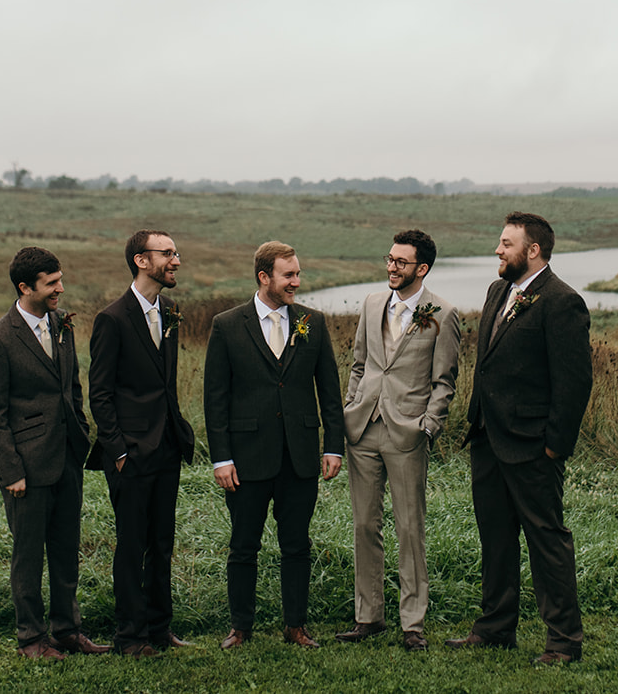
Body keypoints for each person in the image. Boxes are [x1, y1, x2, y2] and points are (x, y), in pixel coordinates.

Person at [447, 212, 592, 666]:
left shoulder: (561, 301)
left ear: (533, 250)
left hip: (533, 444)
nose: (497, 249)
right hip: (489, 437)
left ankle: (563, 642)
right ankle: (494, 629)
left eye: (506, 243)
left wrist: (555, 445)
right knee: (495, 538)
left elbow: (574, 382)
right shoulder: (497, 291)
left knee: (547, 540)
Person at [203, 241, 343, 649]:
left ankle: (295, 626)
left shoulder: (312, 323)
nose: (296, 282)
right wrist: (221, 458)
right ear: (264, 277)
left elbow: (330, 392)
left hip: (299, 457)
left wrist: (333, 447)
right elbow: (216, 398)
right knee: (243, 545)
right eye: (289, 275)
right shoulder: (227, 325)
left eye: (298, 274)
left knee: (297, 544)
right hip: (245, 459)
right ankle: (240, 627)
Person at [0, 246, 110, 660]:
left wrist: (80, 435)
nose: (60, 290)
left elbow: (71, 388)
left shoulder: (62, 326)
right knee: (29, 556)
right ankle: (31, 639)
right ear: (24, 287)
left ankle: (68, 631)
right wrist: (11, 470)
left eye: (60, 280)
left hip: (67, 459)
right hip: (26, 471)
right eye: (51, 284)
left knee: (67, 550)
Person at [336, 229, 460, 651]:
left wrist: (428, 425)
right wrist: (350, 405)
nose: (391, 267)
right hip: (363, 428)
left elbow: (444, 381)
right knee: (364, 524)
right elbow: (359, 363)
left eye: (400, 262)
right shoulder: (371, 305)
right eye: (389, 259)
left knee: (410, 528)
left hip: (407, 431)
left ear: (421, 268)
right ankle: (368, 616)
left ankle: (413, 624)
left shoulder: (442, 312)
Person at [87, 230, 198, 657]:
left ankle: (158, 629)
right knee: (132, 546)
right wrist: (117, 451)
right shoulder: (112, 319)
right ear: (141, 260)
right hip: (129, 454)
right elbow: (100, 393)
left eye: (175, 253)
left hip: (166, 447)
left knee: (162, 543)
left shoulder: (169, 311)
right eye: (167, 253)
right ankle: (129, 636)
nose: (176, 260)